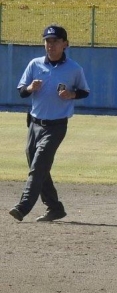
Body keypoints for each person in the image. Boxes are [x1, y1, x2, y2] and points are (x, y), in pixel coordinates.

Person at [9, 25, 90, 223]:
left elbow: (84, 91)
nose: (50, 45)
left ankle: (23, 207)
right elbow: (21, 91)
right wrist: (30, 87)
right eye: (47, 41)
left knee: (38, 166)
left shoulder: (74, 69)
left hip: (56, 126)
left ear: (65, 44)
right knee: (39, 168)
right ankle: (55, 208)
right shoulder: (35, 64)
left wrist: (71, 94)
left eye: (55, 41)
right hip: (34, 124)